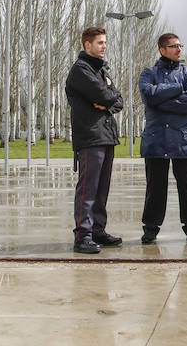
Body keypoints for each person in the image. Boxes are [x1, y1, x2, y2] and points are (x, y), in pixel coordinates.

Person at [64, 27, 124, 254]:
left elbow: (118, 101)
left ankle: (98, 230)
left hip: (106, 135)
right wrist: (107, 96)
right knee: (88, 188)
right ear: (87, 45)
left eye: (105, 42)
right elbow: (106, 96)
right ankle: (83, 235)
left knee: (102, 188)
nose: (104, 46)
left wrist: (108, 97)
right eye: (100, 42)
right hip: (90, 136)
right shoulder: (81, 70)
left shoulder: (101, 70)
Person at [138, 33, 187, 244]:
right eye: (173, 46)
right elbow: (148, 96)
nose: (179, 49)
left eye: (180, 45)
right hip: (157, 138)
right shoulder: (149, 73)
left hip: (184, 138)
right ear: (162, 50)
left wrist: (160, 100)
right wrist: (176, 89)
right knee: (155, 187)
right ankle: (150, 228)